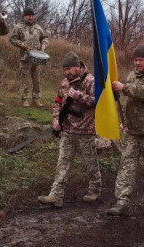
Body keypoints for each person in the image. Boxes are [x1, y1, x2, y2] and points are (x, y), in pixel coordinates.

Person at [106, 45, 144, 218]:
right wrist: (125, 121)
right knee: (126, 166)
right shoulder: (133, 74)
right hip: (133, 131)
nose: (137, 63)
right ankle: (122, 202)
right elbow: (131, 101)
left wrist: (123, 88)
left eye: (140, 60)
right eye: (135, 60)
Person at [38, 52, 101, 208]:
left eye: (69, 69)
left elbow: (99, 101)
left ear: (78, 66)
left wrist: (79, 96)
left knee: (90, 164)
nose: (67, 72)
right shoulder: (64, 83)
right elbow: (57, 102)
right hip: (67, 130)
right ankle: (56, 195)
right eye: (64, 69)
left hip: (86, 130)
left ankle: (94, 190)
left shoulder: (91, 81)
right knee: (63, 163)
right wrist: (55, 119)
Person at [9, 7, 49, 107]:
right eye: (28, 16)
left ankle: (36, 99)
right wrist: (21, 44)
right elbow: (12, 39)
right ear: (25, 16)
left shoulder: (38, 28)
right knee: (25, 79)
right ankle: (25, 99)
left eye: (32, 16)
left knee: (37, 79)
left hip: (38, 58)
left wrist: (44, 45)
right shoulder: (18, 27)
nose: (31, 17)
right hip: (25, 57)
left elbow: (45, 38)